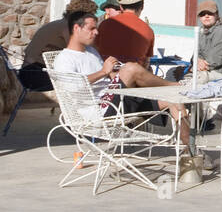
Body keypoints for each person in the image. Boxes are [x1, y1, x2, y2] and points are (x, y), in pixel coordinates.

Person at [52, 8, 192, 146]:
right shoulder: (65, 59)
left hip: (118, 102)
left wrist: (115, 72)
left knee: (174, 99)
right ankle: (175, 86)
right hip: (99, 110)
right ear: (77, 28)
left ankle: (189, 152)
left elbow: (108, 76)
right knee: (131, 68)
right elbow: (71, 88)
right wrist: (103, 72)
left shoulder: (92, 52)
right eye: (92, 28)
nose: (96, 32)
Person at [18, 0, 99, 93]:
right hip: (37, 77)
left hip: (30, 74)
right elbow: (83, 50)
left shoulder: (61, 24)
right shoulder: (68, 27)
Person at [95, 0, 155, 66]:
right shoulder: (148, 30)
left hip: (106, 74)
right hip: (133, 76)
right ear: (142, 6)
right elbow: (146, 63)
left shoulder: (104, 24)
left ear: (121, 6)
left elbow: (95, 49)